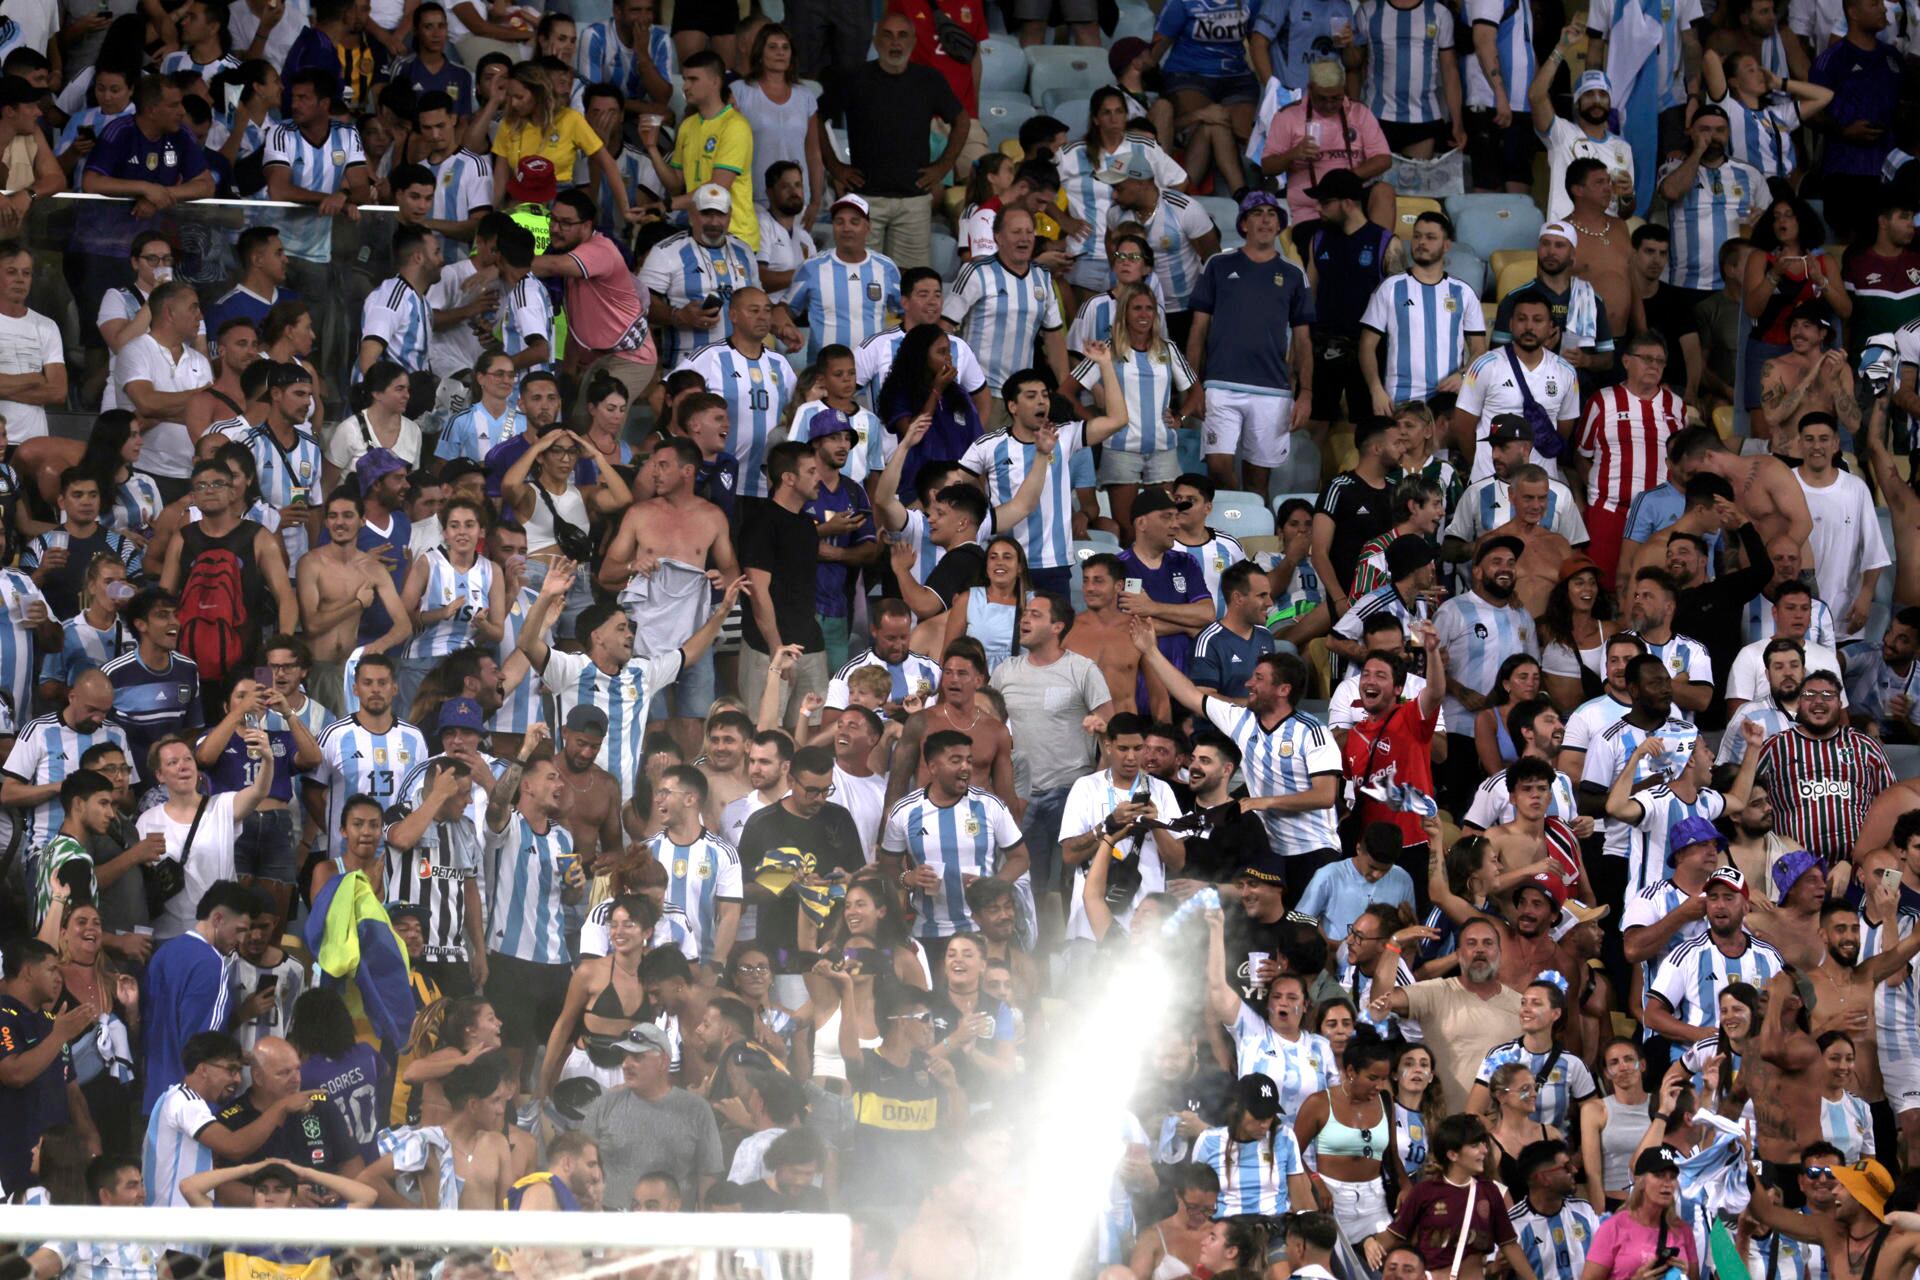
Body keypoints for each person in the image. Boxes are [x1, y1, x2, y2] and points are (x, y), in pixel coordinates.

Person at [1130, 617, 1339, 889]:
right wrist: (1151, 651)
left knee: (1309, 929)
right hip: (1271, 852)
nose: (1249, 683)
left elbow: (1325, 796)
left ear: (1283, 690)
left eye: (1259, 678)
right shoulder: (1242, 721)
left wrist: (1263, 802)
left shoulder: (1313, 732)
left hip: (1314, 850)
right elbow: (1190, 695)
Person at [1183, 190, 1314, 498]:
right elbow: (1197, 330)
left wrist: (1306, 392)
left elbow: (1304, 341)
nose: (1266, 219)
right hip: (1220, 383)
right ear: (1243, 224)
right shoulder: (1217, 264)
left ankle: (1250, 536)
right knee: (1217, 466)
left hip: (1272, 388)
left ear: (1280, 225)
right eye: (1257, 213)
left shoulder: (1294, 275)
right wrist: (1193, 384)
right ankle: (1228, 525)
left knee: (1259, 481)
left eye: (1272, 214)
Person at [816, 12, 967, 272]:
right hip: (865, 199)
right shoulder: (854, 77)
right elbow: (816, 118)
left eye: (902, 35)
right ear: (875, 41)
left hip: (914, 201)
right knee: (860, 279)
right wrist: (836, 167)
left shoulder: (929, 80)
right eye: (887, 35)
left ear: (913, 41)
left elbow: (962, 120)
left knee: (910, 284)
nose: (895, 43)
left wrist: (943, 167)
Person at [1367, 1113, 1536, 1280]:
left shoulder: (1490, 1192)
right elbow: (1394, 1236)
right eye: (1475, 1145)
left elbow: (1509, 1245)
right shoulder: (1424, 1192)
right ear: (1452, 1155)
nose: (1485, 1150)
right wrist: (1368, 1243)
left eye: (1483, 1143)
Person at [1756, 669, 1892, 864]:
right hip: (1794, 870)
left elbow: (1893, 807)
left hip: (1858, 867)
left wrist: (1857, 863)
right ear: (1798, 704)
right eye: (1809, 695)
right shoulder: (1774, 747)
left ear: (1840, 704)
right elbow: (1745, 802)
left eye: (1828, 695)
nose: (1818, 701)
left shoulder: (1865, 746)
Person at [1360, 211, 1488, 414]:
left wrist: (1463, 376)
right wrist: (1376, 389)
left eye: (1430, 237)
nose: (1421, 242)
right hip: (1400, 401)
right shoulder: (1390, 288)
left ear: (1447, 245)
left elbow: (1480, 350)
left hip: (1447, 402)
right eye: (1417, 236)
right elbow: (1366, 346)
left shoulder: (1464, 293)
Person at [776, 195, 902, 366]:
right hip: (823, 375)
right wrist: (785, 328)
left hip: (873, 373)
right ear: (833, 227)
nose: (846, 228)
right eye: (839, 222)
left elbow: (904, 312)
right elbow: (782, 310)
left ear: (868, 227)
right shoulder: (811, 268)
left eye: (854, 222)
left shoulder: (887, 268)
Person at [1578, 1146, 1698, 1280]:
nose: (1667, 1183)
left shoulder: (1682, 1230)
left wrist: (1683, 1274)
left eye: (1672, 1177)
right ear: (1640, 1181)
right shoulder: (1613, 1228)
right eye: (1659, 1175)